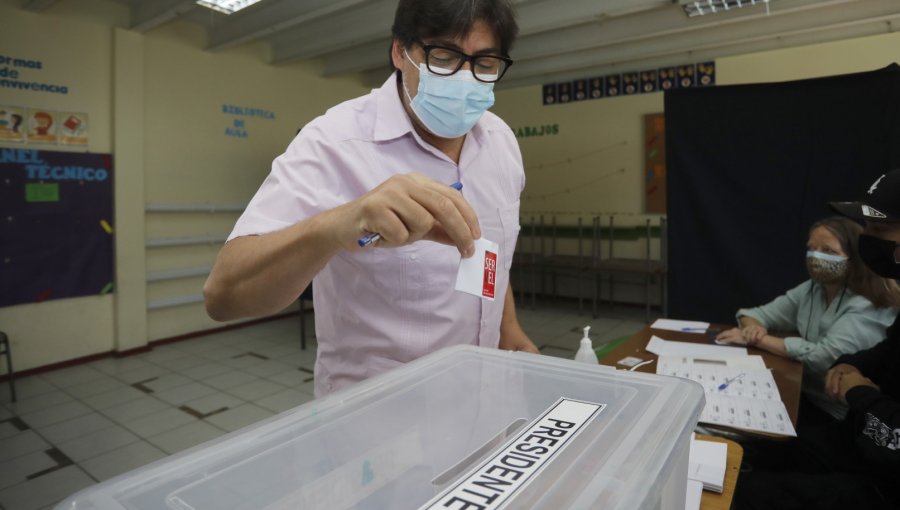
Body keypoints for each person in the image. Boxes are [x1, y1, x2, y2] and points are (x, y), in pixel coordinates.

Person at [204, 0, 538, 398]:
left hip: (485, 394)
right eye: (444, 56)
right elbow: (223, 297)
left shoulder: (500, 142)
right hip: (379, 422)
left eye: (484, 64)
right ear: (401, 51)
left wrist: (507, 326)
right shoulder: (334, 141)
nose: (465, 78)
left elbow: (487, 248)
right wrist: (340, 223)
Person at [735, 169, 900, 510]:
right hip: (856, 439)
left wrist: (859, 391)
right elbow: (891, 350)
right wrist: (854, 363)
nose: (867, 238)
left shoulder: (868, 301)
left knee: (746, 493)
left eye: (879, 230)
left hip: (883, 477)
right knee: (747, 450)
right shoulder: (813, 289)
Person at [716, 216, 900, 421]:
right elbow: (752, 314)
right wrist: (753, 329)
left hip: (838, 413)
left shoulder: (867, 302)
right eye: (811, 248)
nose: (815, 256)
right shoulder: (812, 289)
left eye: (829, 251)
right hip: (802, 396)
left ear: (854, 256)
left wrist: (760, 340)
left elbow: (826, 359)